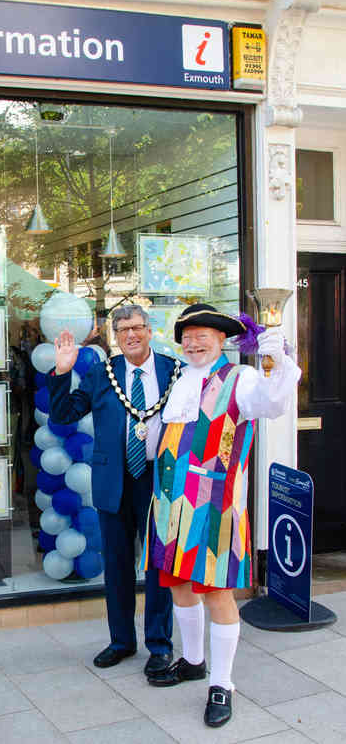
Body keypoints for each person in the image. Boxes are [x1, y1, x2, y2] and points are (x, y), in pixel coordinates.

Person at [143, 303, 301, 728]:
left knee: (217, 594)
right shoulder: (180, 378)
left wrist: (278, 360)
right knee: (178, 586)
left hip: (214, 506)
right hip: (170, 503)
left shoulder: (241, 378)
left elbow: (273, 402)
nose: (193, 343)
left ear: (221, 340)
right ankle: (193, 661)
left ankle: (222, 683)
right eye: (188, 337)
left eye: (202, 336)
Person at [48, 305, 180, 678]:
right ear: (116, 337)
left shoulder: (174, 371)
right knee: (117, 565)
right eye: (122, 330)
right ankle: (121, 641)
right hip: (113, 480)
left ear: (149, 330)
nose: (130, 335)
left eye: (137, 327)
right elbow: (63, 415)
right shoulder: (102, 373)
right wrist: (62, 370)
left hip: (158, 479)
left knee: (158, 566)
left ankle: (159, 645)